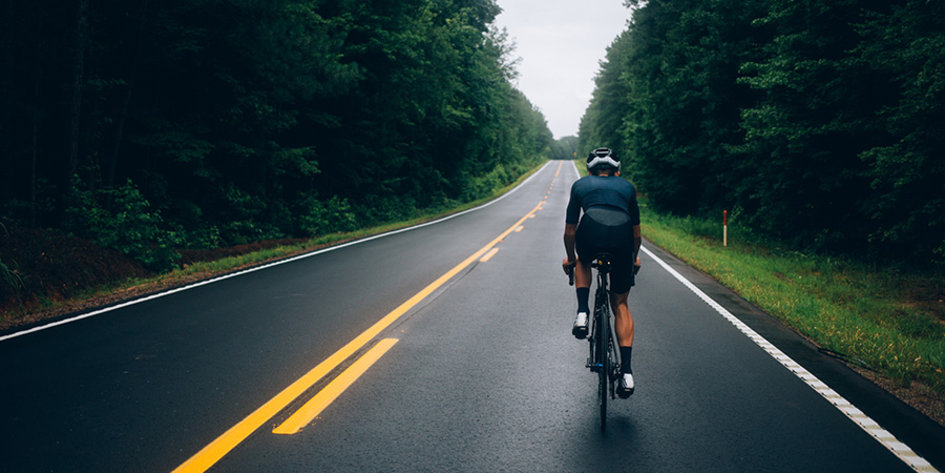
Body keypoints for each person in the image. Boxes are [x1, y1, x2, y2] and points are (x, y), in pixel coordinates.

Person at [562, 147, 642, 398]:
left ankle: (583, 313)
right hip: (622, 240)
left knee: (584, 261)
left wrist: (572, 257)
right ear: (617, 170)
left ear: (590, 170)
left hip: (591, 233)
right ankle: (627, 374)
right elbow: (637, 234)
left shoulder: (580, 185)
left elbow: (570, 231)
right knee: (620, 304)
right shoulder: (628, 188)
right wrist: (633, 257)